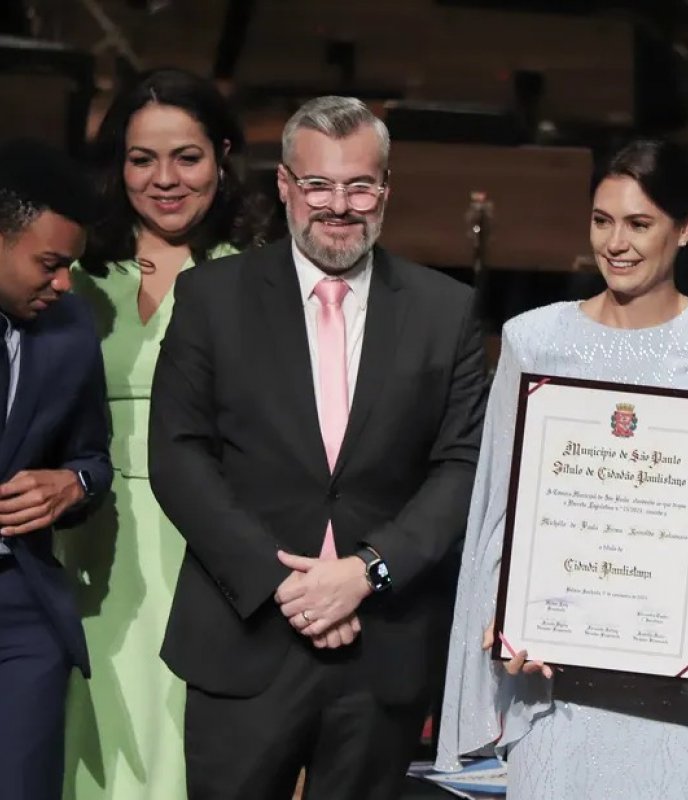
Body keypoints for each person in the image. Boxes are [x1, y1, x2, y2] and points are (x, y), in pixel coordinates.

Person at [437, 138, 688, 799]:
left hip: (682, 687)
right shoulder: (535, 340)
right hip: (556, 684)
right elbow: (500, 508)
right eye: (602, 221)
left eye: (639, 224)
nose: (616, 243)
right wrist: (506, 616)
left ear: (685, 227)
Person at [148, 95, 487, 800]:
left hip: (382, 644)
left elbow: (462, 467)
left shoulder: (444, 310)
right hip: (245, 637)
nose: (339, 205)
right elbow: (178, 457)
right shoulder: (210, 297)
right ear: (284, 185)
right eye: (318, 185)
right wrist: (286, 586)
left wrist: (367, 571)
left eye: (359, 186)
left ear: (385, 189)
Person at [59, 67, 267, 800]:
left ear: (223, 156)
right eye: (142, 159)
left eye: (187, 157)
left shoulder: (260, 276)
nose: (165, 179)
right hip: (85, 541)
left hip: (208, 544)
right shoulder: (73, 271)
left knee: (184, 744)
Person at [0, 138, 112, 800]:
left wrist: (74, 484)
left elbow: (93, 457)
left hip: (22, 609)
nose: (65, 282)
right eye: (50, 263)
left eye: (69, 265)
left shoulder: (71, 327)